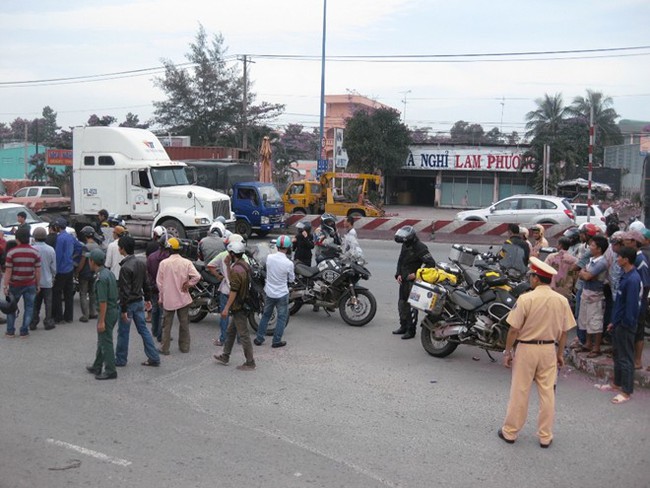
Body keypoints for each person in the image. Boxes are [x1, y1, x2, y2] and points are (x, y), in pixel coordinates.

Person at [498, 257, 575, 448]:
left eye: (531, 275)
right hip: (549, 349)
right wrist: (560, 354)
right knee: (548, 393)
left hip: (526, 349)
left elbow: (514, 329)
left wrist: (507, 352)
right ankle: (545, 436)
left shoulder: (526, 299)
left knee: (520, 391)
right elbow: (565, 331)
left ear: (535, 278)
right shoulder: (562, 300)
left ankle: (510, 432)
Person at [596, 246, 642, 403]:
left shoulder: (633, 279)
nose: (617, 259)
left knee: (626, 358)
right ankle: (617, 383)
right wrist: (613, 322)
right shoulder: (625, 275)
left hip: (626, 325)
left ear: (626, 259)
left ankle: (626, 391)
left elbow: (631, 307)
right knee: (617, 355)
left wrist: (624, 325)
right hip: (618, 323)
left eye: (619, 257)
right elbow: (620, 303)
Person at [114, 235, 161, 367]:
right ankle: (154, 356)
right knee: (144, 330)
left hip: (128, 304)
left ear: (122, 249)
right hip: (139, 301)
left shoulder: (125, 268)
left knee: (123, 333)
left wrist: (123, 309)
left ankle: (121, 359)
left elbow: (124, 291)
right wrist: (147, 299)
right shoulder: (140, 263)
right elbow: (146, 283)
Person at [213, 240, 256, 370]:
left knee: (243, 335)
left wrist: (226, 308)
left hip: (239, 306)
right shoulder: (244, 265)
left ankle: (250, 362)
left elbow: (233, 289)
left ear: (232, 254)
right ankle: (225, 355)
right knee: (231, 331)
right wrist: (227, 265)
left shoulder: (236, 270)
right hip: (245, 302)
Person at [156, 237, 201, 356]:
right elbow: (197, 276)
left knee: (167, 325)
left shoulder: (164, 263)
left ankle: (164, 348)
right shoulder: (186, 262)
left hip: (169, 299)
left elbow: (159, 283)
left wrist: (161, 298)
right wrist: (189, 284)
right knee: (184, 324)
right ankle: (184, 347)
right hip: (183, 299)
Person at [393, 225, 436, 340]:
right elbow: (400, 260)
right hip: (404, 280)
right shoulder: (405, 245)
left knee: (412, 306)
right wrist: (398, 274)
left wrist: (417, 274)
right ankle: (403, 326)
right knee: (402, 304)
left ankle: (411, 330)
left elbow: (431, 263)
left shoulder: (420, 247)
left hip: (414, 282)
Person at [254, 235, 295, 348]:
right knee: (282, 317)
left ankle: (259, 338)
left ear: (276, 246)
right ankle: (276, 341)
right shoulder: (289, 263)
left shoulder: (270, 258)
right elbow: (291, 279)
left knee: (266, 315)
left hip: (269, 292)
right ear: (288, 248)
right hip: (282, 293)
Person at [207, 234, 246, 347]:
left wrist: (219, 276)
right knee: (238, 316)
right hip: (238, 292)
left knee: (224, 315)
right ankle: (240, 339)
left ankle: (223, 339)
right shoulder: (244, 258)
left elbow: (210, 266)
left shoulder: (223, 255)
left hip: (226, 290)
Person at [85, 249, 119, 381]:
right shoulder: (108, 273)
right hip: (112, 310)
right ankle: (97, 365)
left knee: (106, 341)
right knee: (102, 340)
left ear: (92, 262)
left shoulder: (101, 278)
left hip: (107, 312)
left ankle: (110, 370)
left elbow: (103, 301)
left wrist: (101, 321)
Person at [3, 227, 41, 338]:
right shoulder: (35, 252)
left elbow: (8, 271)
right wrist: (38, 284)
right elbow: (38, 270)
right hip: (30, 284)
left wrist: (5, 285)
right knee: (29, 308)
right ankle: (24, 331)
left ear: (17, 238)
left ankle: (10, 331)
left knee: (11, 308)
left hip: (15, 284)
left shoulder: (11, 253)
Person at [621, 229, 650, 371]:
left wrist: (639, 303)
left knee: (638, 331)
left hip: (638, 302)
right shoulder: (632, 258)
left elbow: (644, 285)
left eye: (627, 240)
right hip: (630, 300)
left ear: (633, 242)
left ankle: (637, 360)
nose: (624, 242)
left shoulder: (640, 260)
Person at [577, 235, 608, 357]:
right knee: (585, 319)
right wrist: (586, 274)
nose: (590, 247)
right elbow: (583, 273)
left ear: (599, 249)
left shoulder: (602, 262)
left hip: (596, 295)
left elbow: (587, 276)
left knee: (595, 321)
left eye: (593, 245)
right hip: (587, 293)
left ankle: (596, 347)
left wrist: (586, 274)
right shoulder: (592, 260)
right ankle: (588, 344)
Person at [52, 217, 82, 324]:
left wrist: (54, 271)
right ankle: (68, 317)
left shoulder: (59, 239)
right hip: (69, 268)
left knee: (57, 292)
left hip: (61, 269)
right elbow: (79, 247)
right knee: (68, 293)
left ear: (57, 227)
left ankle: (58, 317)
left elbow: (58, 256)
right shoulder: (70, 237)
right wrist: (74, 259)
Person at [29, 227, 57, 331]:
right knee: (48, 303)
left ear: (35, 237)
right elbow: (54, 268)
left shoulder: (32, 249)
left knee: (35, 303)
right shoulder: (51, 250)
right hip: (47, 280)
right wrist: (53, 277)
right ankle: (48, 322)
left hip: (34, 281)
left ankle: (33, 322)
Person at [146, 233, 170, 343]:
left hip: (153, 287)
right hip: (165, 288)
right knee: (163, 313)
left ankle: (155, 331)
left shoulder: (151, 257)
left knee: (155, 309)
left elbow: (148, 273)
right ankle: (161, 335)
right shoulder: (169, 259)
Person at [77, 226, 102, 323]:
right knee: (92, 293)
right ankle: (93, 312)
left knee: (83, 293)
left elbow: (83, 261)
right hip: (94, 272)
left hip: (85, 273)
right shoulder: (97, 246)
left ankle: (85, 315)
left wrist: (77, 271)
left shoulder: (86, 247)